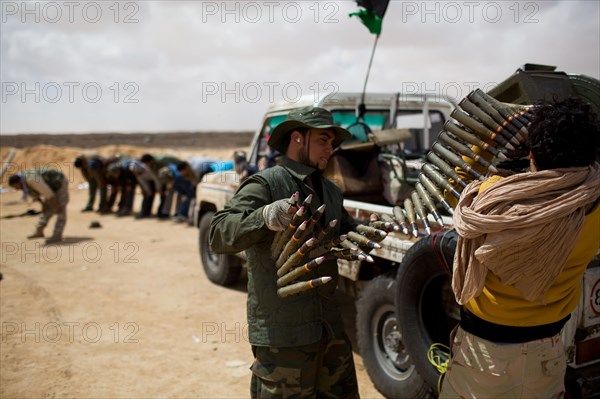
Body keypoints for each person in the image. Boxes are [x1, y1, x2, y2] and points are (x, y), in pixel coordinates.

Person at [440, 97, 600, 398]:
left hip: (484, 360)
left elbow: (454, 184)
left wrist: (489, 139)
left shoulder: (490, 202)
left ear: (532, 156)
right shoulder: (595, 204)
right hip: (549, 354)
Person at [209, 106, 361, 398]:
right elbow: (218, 233)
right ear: (297, 138)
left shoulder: (330, 191)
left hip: (329, 328)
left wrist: (358, 237)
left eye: (333, 143)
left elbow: (342, 230)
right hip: (284, 335)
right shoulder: (266, 183)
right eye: (323, 140)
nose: (331, 149)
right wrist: (264, 216)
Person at [8, 168, 70, 244]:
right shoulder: (24, 181)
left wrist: (57, 205)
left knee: (61, 209)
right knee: (47, 209)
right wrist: (43, 205)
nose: (16, 189)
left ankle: (57, 235)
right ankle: (39, 232)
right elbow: (35, 194)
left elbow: (48, 194)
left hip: (59, 183)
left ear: (18, 182)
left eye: (16, 186)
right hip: (49, 186)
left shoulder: (32, 179)